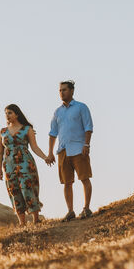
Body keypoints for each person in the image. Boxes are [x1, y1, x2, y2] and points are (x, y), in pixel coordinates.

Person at [0, 104, 54, 225]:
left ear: (17, 114)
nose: (7, 116)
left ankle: (36, 220)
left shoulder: (27, 129)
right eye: (6, 113)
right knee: (14, 191)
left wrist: (45, 157)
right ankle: (22, 223)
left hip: (25, 163)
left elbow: (34, 147)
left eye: (10, 113)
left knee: (27, 188)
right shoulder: (3, 132)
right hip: (8, 165)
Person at [47, 80, 94, 221]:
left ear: (72, 91)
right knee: (67, 182)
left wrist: (86, 145)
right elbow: (52, 133)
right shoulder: (57, 112)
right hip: (63, 150)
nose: (62, 93)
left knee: (84, 178)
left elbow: (88, 127)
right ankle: (70, 211)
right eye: (60, 90)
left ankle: (86, 208)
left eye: (64, 90)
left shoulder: (81, 107)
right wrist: (50, 152)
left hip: (79, 148)